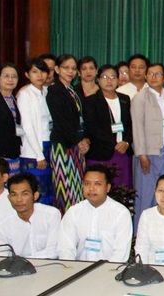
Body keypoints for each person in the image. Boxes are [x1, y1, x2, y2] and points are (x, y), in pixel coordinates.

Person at [131, 63, 164, 226]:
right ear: (146, 76)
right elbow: (137, 127)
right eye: (150, 74)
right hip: (149, 153)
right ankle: (140, 236)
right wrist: (142, 154)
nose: (153, 77)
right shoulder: (140, 98)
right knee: (146, 195)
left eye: (157, 74)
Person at [57, 165, 132, 262]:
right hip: (78, 272)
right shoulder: (73, 212)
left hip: (109, 273)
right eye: (87, 183)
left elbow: (121, 254)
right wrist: (71, 269)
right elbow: (65, 248)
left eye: (97, 184)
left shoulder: (120, 214)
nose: (91, 188)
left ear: (108, 187)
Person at [46, 54, 90, 210]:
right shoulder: (54, 90)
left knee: (77, 189)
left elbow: (80, 119)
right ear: (57, 69)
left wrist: (85, 139)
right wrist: (79, 140)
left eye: (73, 68)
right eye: (66, 68)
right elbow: (61, 121)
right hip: (63, 146)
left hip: (76, 145)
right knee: (65, 191)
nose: (70, 71)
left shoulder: (72, 90)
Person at [83, 65, 133, 189]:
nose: (109, 81)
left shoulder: (124, 99)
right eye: (105, 77)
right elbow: (92, 128)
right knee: (100, 189)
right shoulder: (91, 101)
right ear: (98, 80)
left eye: (113, 77)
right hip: (101, 153)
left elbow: (129, 124)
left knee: (123, 189)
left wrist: (126, 142)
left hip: (123, 152)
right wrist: (114, 143)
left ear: (117, 80)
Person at [0, 172, 60, 259]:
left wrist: (25, 261)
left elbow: (54, 250)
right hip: (18, 271)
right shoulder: (2, 227)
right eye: (14, 195)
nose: (19, 199)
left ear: (35, 196)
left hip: (49, 268)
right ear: (9, 198)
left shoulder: (51, 215)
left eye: (25, 194)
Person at [18, 59, 54, 205]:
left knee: (48, 189)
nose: (39, 75)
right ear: (27, 74)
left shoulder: (47, 91)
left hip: (48, 145)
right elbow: (27, 127)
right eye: (34, 72)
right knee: (36, 191)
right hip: (33, 151)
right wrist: (39, 155)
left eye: (42, 71)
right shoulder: (25, 94)